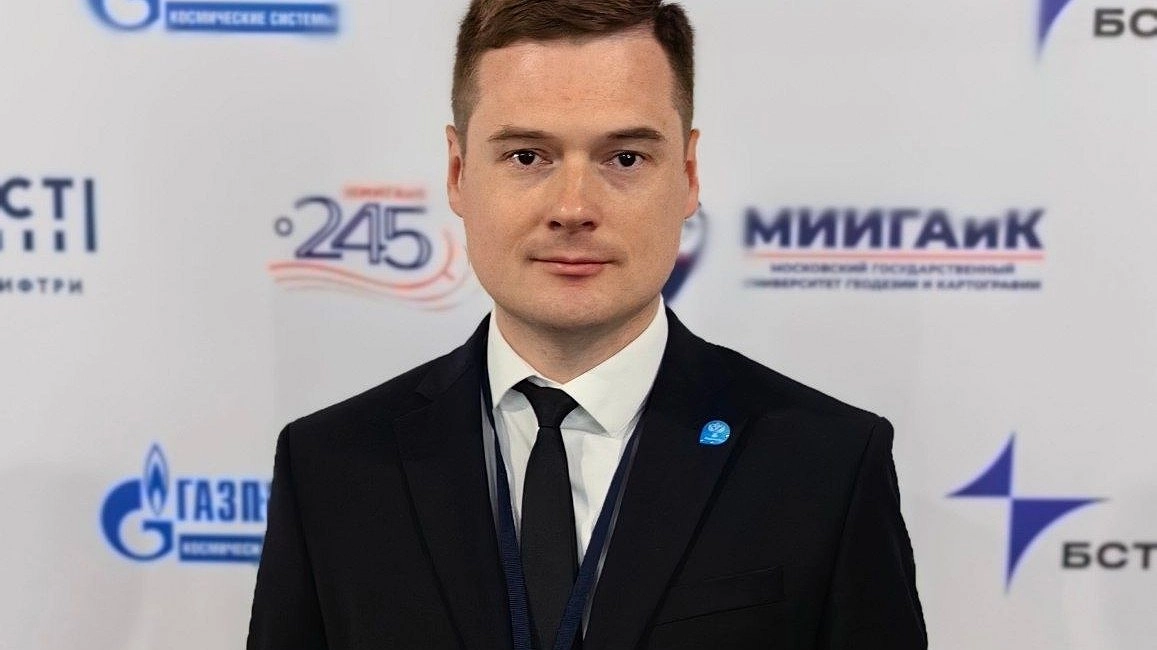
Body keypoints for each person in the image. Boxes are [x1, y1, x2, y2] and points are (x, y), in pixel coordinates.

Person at [247, 1, 927, 648]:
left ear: (688, 175)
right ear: (457, 172)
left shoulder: (827, 464)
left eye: (624, 158)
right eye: (526, 156)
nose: (573, 208)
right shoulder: (329, 467)